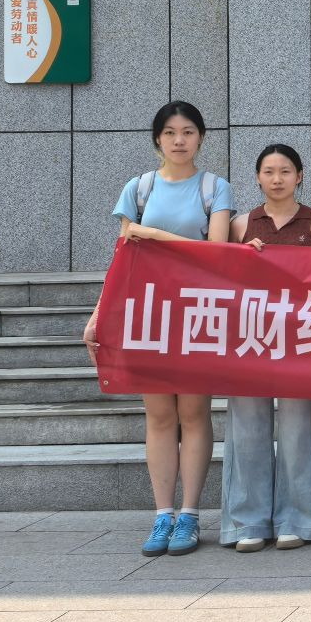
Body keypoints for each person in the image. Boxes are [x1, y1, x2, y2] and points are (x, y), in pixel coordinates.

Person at [89, 101, 233, 558]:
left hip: (196, 312)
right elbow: (123, 257)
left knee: (193, 413)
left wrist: (152, 235)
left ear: (201, 137)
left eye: (188, 131)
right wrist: (98, 315)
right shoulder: (139, 188)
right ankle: (162, 514)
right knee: (158, 416)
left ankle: (190, 513)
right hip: (147, 312)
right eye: (170, 132)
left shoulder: (215, 188)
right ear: (157, 139)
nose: (179, 140)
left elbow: (215, 252)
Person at [223, 143, 311, 553]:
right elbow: (224, 280)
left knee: (296, 431)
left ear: (299, 176)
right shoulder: (239, 224)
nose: (277, 179)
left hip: (299, 340)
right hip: (249, 338)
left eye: (285, 171)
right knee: (247, 431)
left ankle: (299, 519)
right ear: (257, 177)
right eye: (269, 171)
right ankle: (247, 522)